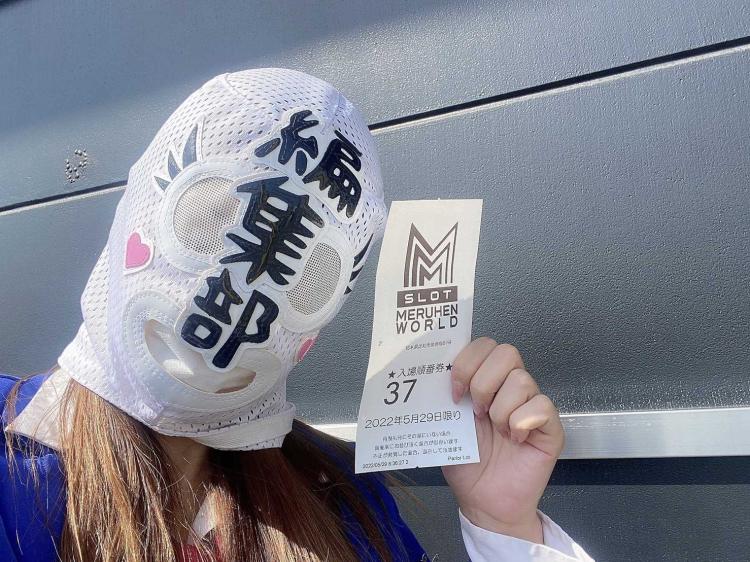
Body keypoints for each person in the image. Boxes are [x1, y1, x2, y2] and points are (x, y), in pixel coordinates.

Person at [0, 68, 593, 561]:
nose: (234, 282)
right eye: (208, 219)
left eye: (299, 265)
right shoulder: (12, 465)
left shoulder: (341, 496)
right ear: (143, 208)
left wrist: (506, 530)